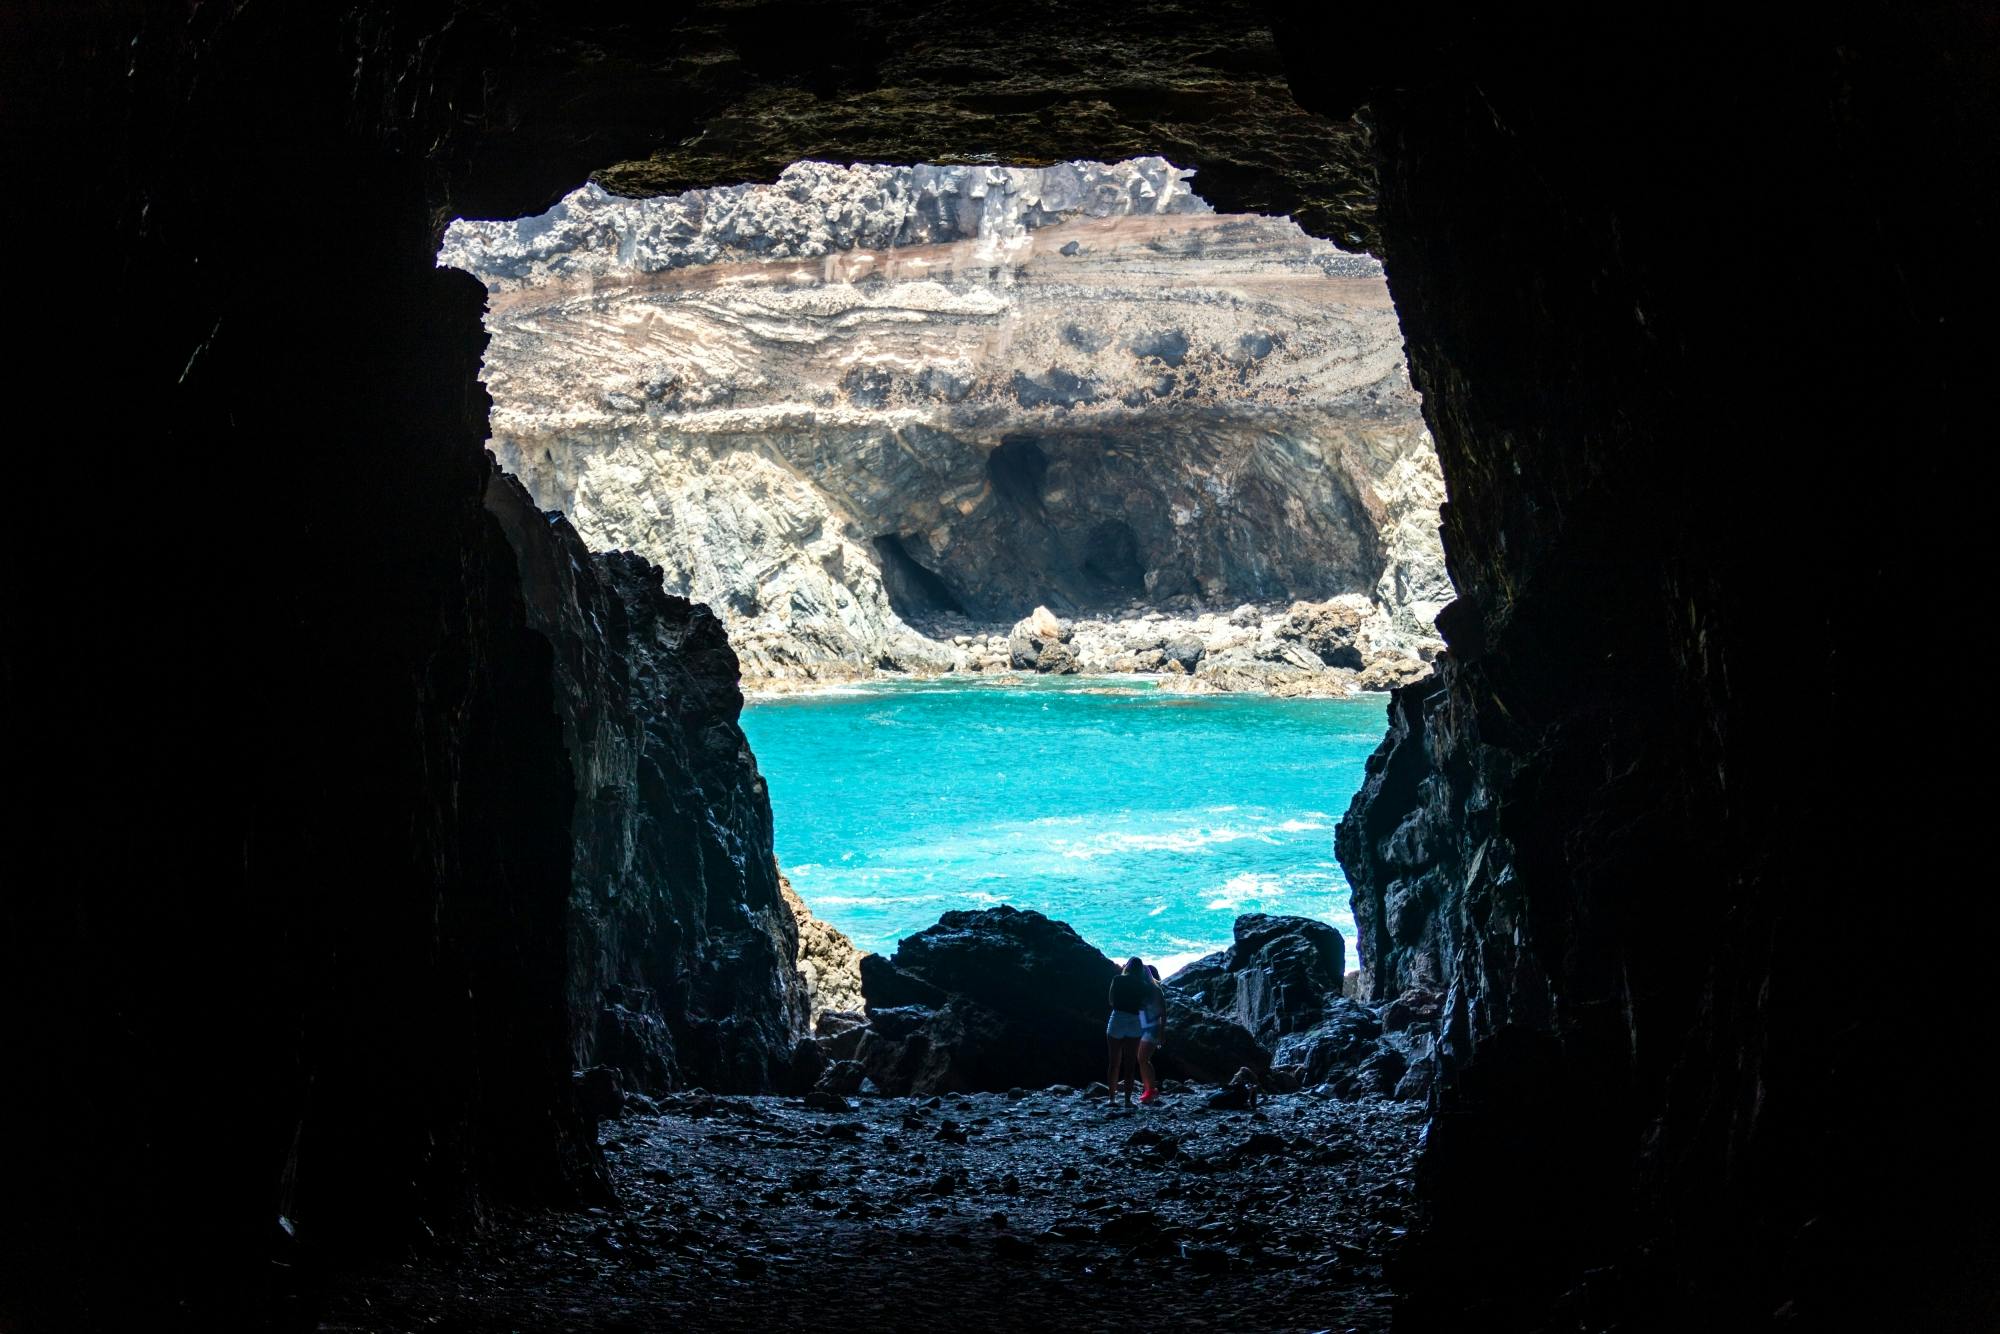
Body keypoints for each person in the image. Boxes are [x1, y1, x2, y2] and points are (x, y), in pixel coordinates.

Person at [1106, 957, 1151, 1108]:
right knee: (1130, 1064)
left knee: (1114, 1063)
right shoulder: (1143, 985)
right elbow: (1145, 1005)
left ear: (1127, 967)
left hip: (1117, 1019)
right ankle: (1127, 1101)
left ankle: (1112, 1099)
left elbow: (1111, 1001)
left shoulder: (1117, 979)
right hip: (1134, 1022)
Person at [1137, 963, 1167, 1103]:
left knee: (1143, 1059)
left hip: (1152, 1027)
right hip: (1146, 1027)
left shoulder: (1155, 990)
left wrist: (1161, 1032)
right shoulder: (1147, 989)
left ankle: (1151, 1090)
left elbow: (1163, 1012)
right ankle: (1148, 1088)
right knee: (1142, 1059)